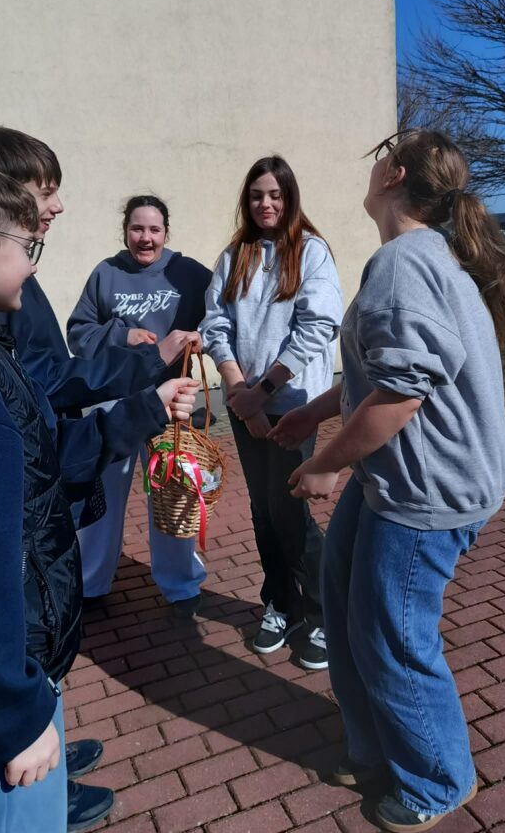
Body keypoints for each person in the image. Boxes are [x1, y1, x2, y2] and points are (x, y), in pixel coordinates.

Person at [271, 130, 505, 831]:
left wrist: (326, 463)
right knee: (347, 605)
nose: (373, 162)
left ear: (395, 174)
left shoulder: (406, 264)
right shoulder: (415, 258)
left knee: (393, 636)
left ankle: (439, 780)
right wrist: (313, 414)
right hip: (400, 482)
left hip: (427, 494)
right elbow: (379, 377)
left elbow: (402, 395)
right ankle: (375, 748)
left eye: (381, 153)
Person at [0, 127, 200, 830]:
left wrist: (148, 369)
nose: (59, 205)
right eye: (46, 191)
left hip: (53, 482)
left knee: (44, 635)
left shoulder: (16, 274)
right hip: (33, 498)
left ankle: (47, 750)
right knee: (28, 631)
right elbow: (49, 390)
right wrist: (143, 386)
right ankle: (37, 788)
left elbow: (52, 374)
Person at [200, 156, 343, 669]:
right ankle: (281, 604)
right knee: (263, 511)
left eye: (276, 195)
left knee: (289, 511)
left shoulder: (311, 252)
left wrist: (262, 392)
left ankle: (326, 613)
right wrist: (240, 392)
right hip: (246, 404)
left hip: (292, 408)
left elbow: (317, 328)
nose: (266, 204)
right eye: (258, 194)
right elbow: (215, 324)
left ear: (290, 198)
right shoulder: (234, 255)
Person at [67, 195, 212, 613]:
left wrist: (203, 337)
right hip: (114, 401)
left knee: (173, 494)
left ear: (166, 232)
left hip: (173, 401)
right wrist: (121, 336)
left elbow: (222, 317)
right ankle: (91, 583)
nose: (145, 238)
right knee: (104, 494)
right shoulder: (106, 273)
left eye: (154, 229)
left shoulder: (189, 273)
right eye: (137, 228)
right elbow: (78, 333)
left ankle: (181, 585)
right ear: (125, 231)